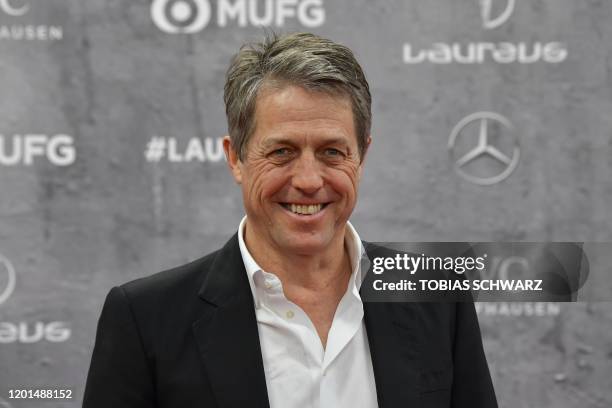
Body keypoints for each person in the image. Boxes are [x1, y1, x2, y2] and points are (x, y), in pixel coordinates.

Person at [83, 32, 497, 408]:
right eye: (281, 151)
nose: (308, 180)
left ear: (362, 157)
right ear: (235, 158)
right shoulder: (145, 320)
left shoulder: (436, 299)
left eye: (332, 152)